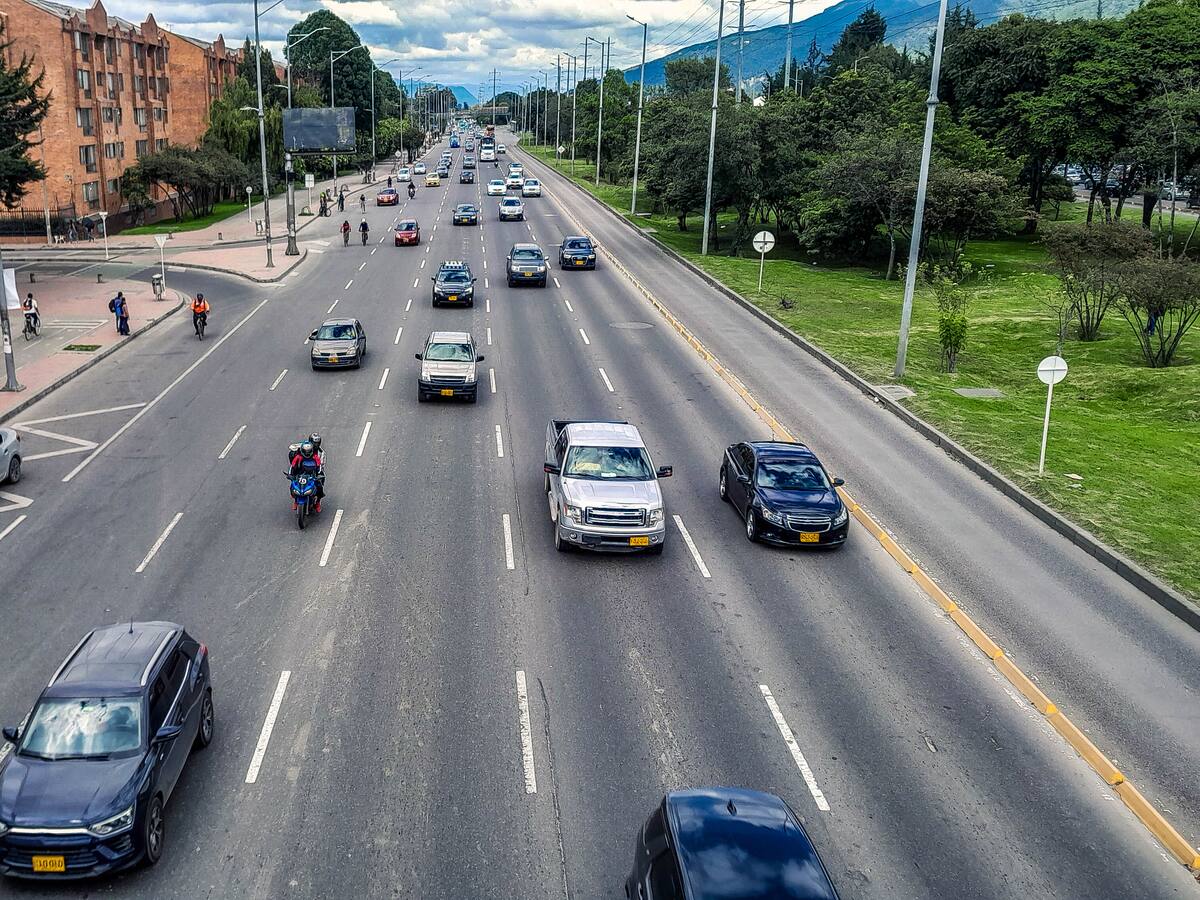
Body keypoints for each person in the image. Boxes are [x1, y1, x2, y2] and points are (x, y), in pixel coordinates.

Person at [289, 440, 324, 512]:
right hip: (300, 475)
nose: (307, 453)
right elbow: (292, 467)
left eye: (308, 451)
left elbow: (319, 467)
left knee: (319, 486)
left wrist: (318, 475)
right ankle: (296, 500)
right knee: (293, 486)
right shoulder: (298, 457)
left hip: (312, 476)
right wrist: (291, 475)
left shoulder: (315, 457)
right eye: (305, 451)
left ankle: (317, 503)